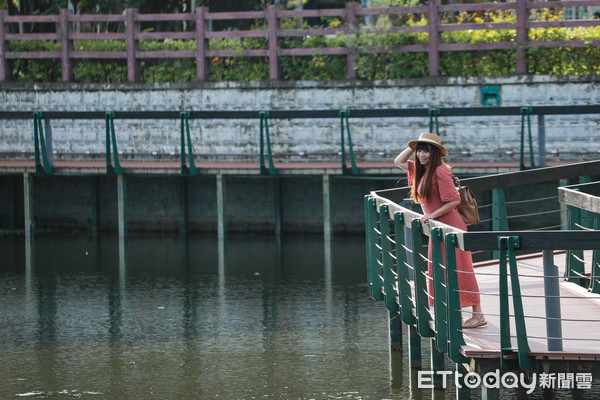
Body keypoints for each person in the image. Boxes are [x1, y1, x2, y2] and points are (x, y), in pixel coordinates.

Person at [394, 132, 486, 329]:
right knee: (441, 271)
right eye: (419, 151)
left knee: (461, 270)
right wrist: (414, 145)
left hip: (450, 227)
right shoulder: (421, 170)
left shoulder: (439, 171)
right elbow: (398, 161)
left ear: (434, 153)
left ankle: (478, 315)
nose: (421, 155)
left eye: (425, 151)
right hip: (438, 228)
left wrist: (432, 215)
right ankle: (456, 314)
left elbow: (454, 200)